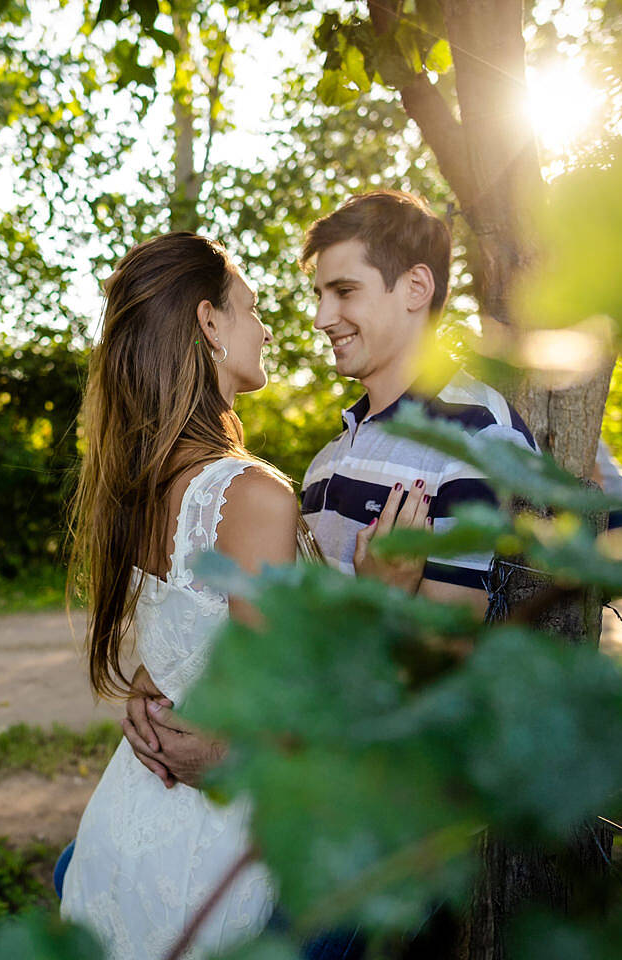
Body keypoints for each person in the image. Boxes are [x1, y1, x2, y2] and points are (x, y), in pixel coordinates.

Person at [122, 190, 536, 789]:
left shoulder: (476, 441)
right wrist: (167, 673)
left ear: (417, 288)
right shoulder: (327, 462)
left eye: (344, 292)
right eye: (320, 294)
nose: (320, 318)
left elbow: (444, 667)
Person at [58, 232, 325, 960]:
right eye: (253, 308)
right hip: (207, 862)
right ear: (210, 323)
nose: (267, 327)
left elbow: (189, 643)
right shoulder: (252, 495)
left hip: (123, 827)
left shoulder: (138, 487)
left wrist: (155, 684)